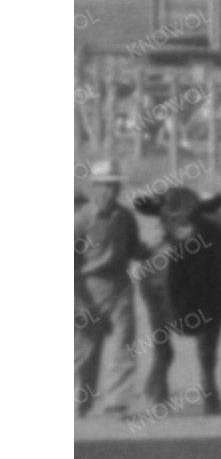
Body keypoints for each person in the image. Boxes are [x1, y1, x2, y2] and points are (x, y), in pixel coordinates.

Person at [76, 165, 146, 419]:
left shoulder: (125, 217)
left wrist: (162, 247)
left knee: (123, 346)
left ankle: (116, 404)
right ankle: (79, 403)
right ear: (95, 186)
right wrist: (76, 302)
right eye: (106, 184)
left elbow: (135, 248)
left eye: (115, 185)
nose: (111, 190)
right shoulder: (80, 219)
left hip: (120, 288)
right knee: (85, 350)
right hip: (88, 289)